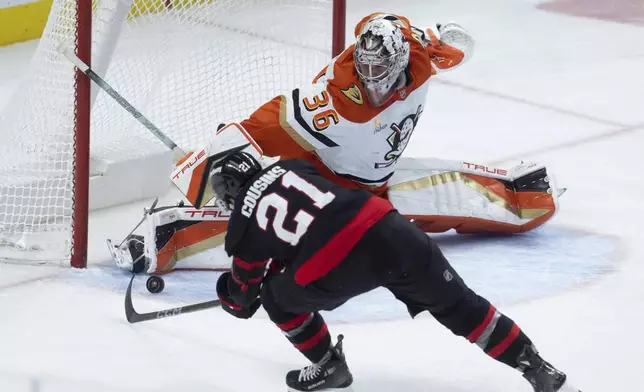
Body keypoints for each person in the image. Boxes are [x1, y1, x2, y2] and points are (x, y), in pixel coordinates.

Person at [112, 12, 562, 274]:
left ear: (403, 59)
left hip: (375, 181)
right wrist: (213, 169)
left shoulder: (421, 55)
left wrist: (455, 43)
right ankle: (163, 237)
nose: (370, 82)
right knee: (289, 235)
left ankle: (522, 188)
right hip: (334, 189)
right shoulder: (329, 103)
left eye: (380, 72)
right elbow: (260, 126)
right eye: (363, 69)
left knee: (462, 197)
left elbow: (449, 45)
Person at [210, 151, 579, 392]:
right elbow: (320, 210)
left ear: (229, 192)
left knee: (277, 298)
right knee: (459, 305)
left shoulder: (242, 224)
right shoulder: (292, 166)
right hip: (391, 229)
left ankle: (329, 365)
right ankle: (538, 369)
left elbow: (243, 300)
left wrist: (228, 289)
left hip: (341, 264)